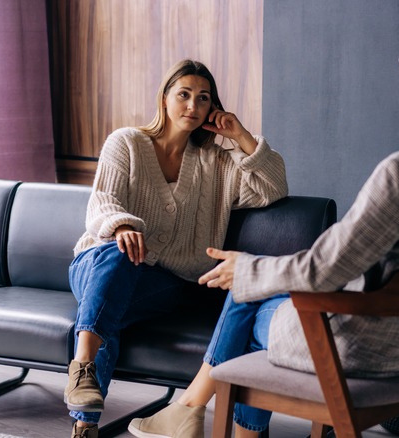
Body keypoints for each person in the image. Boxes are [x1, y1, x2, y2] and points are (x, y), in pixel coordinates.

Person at [128, 11, 399, 438]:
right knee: (254, 285)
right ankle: (190, 411)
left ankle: (189, 410)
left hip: (358, 348)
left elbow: (325, 269)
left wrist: (246, 269)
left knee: (246, 296)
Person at [66, 59, 288, 438]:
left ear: (212, 108)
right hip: (98, 263)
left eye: (203, 98)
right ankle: (82, 366)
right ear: (164, 98)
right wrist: (122, 225)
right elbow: (102, 200)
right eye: (183, 94)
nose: (192, 105)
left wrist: (241, 136)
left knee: (109, 308)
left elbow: (273, 188)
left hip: (163, 283)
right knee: (118, 260)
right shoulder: (126, 142)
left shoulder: (217, 163)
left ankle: (84, 424)